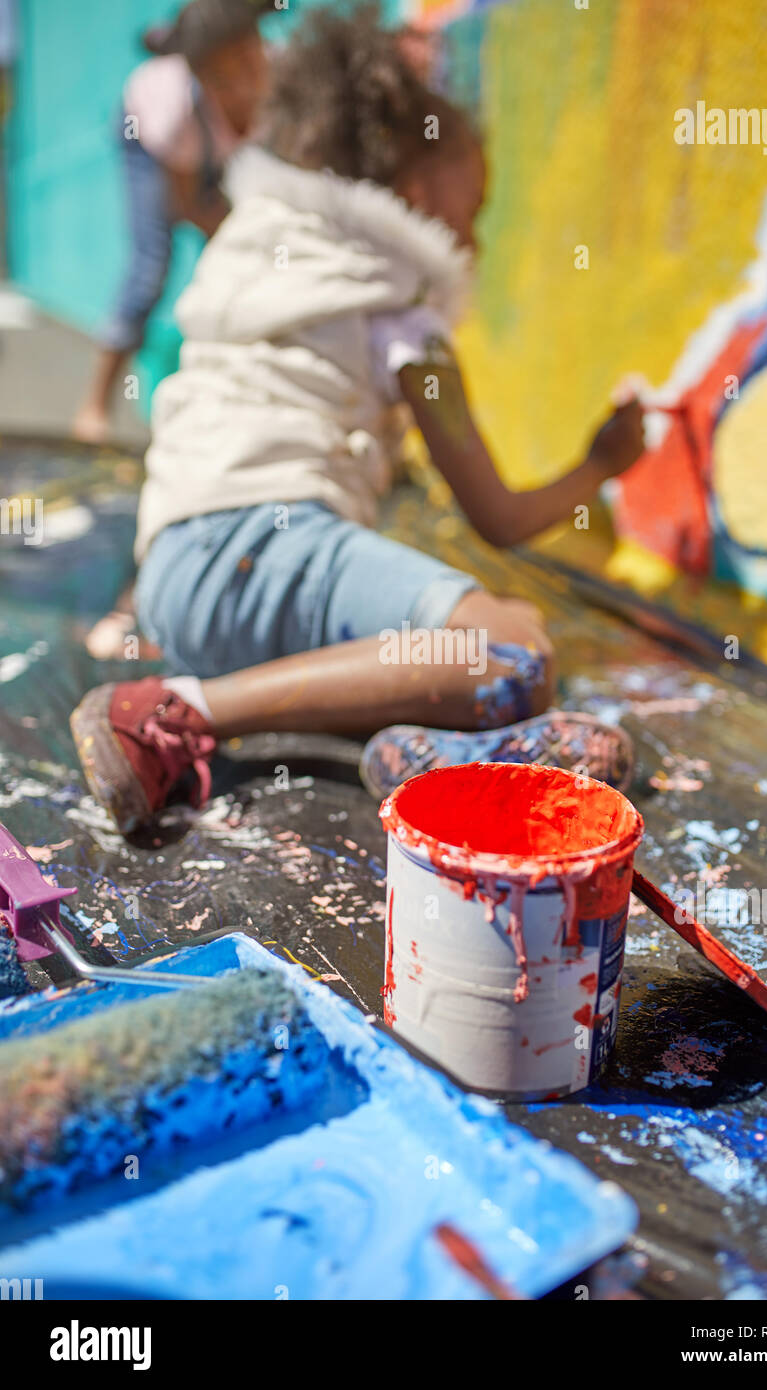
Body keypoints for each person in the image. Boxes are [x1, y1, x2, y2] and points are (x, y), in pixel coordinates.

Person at [70, 4, 645, 836]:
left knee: (446, 653)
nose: (472, 237)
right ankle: (172, 715)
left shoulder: (258, 245)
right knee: (513, 650)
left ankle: (424, 757)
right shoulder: (402, 304)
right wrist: (601, 463)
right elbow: (499, 514)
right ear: (411, 187)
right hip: (265, 553)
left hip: (172, 580)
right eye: (472, 205)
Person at [72, 0, 270, 445]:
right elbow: (186, 207)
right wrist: (237, 241)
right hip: (147, 139)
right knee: (150, 265)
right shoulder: (172, 112)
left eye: (251, 57)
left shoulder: (282, 85)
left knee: (235, 265)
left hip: (215, 153)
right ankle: (94, 406)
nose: (245, 80)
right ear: (202, 76)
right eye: (227, 73)